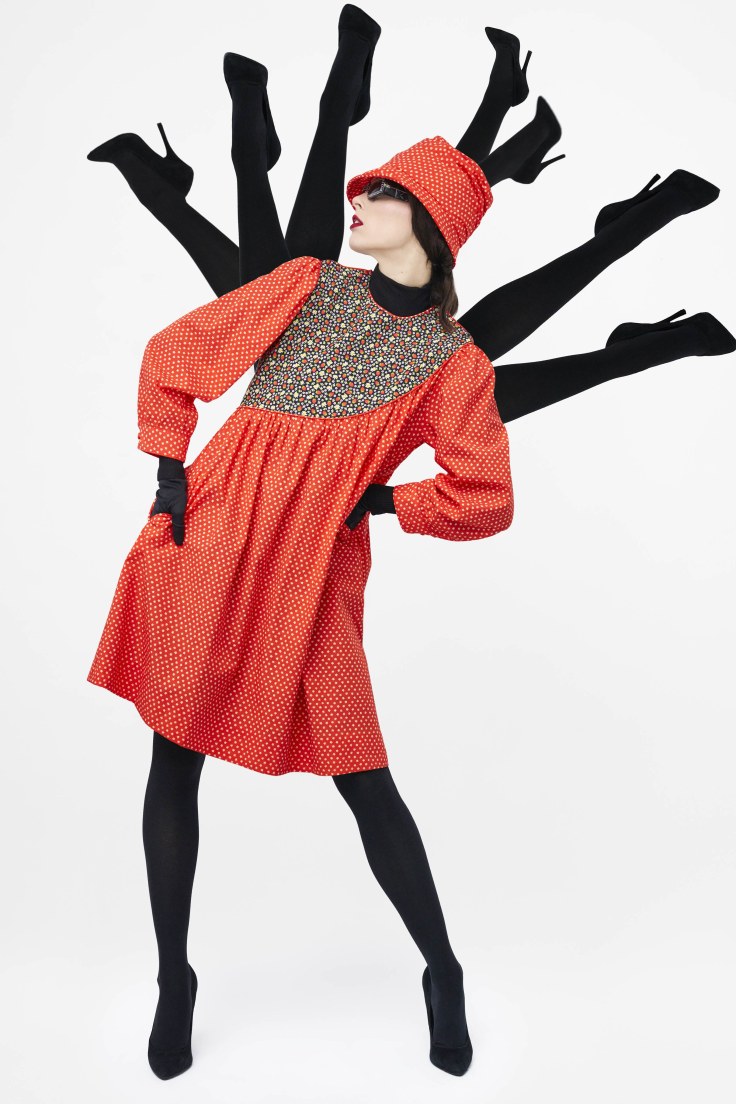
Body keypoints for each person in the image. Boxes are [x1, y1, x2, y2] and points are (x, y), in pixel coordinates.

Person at [87, 135, 512, 1080]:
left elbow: (487, 495)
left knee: (364, 776)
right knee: (173, 756)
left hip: (313, 574)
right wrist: (169, 474)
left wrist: (385, 500)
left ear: (430, 223)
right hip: (212, 537)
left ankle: (442, 969)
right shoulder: (308, 284)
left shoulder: (454, 365)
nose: (357, 200)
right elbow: (176, 353)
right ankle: (173, 976)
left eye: (382, 192)